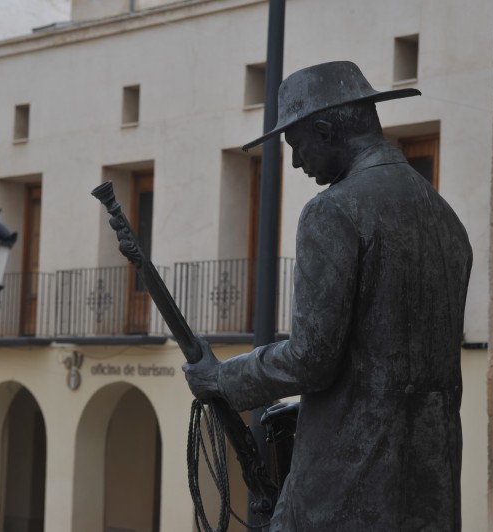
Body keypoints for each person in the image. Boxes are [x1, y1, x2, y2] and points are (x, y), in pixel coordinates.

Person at [183, 61, 472, 531]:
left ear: (324, 129)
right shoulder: (447, 220)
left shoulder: (332, 212)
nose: (297, 163)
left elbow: (312, 358)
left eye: (297, 146)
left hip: (344, 491)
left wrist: (222, 378)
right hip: (430, 495)